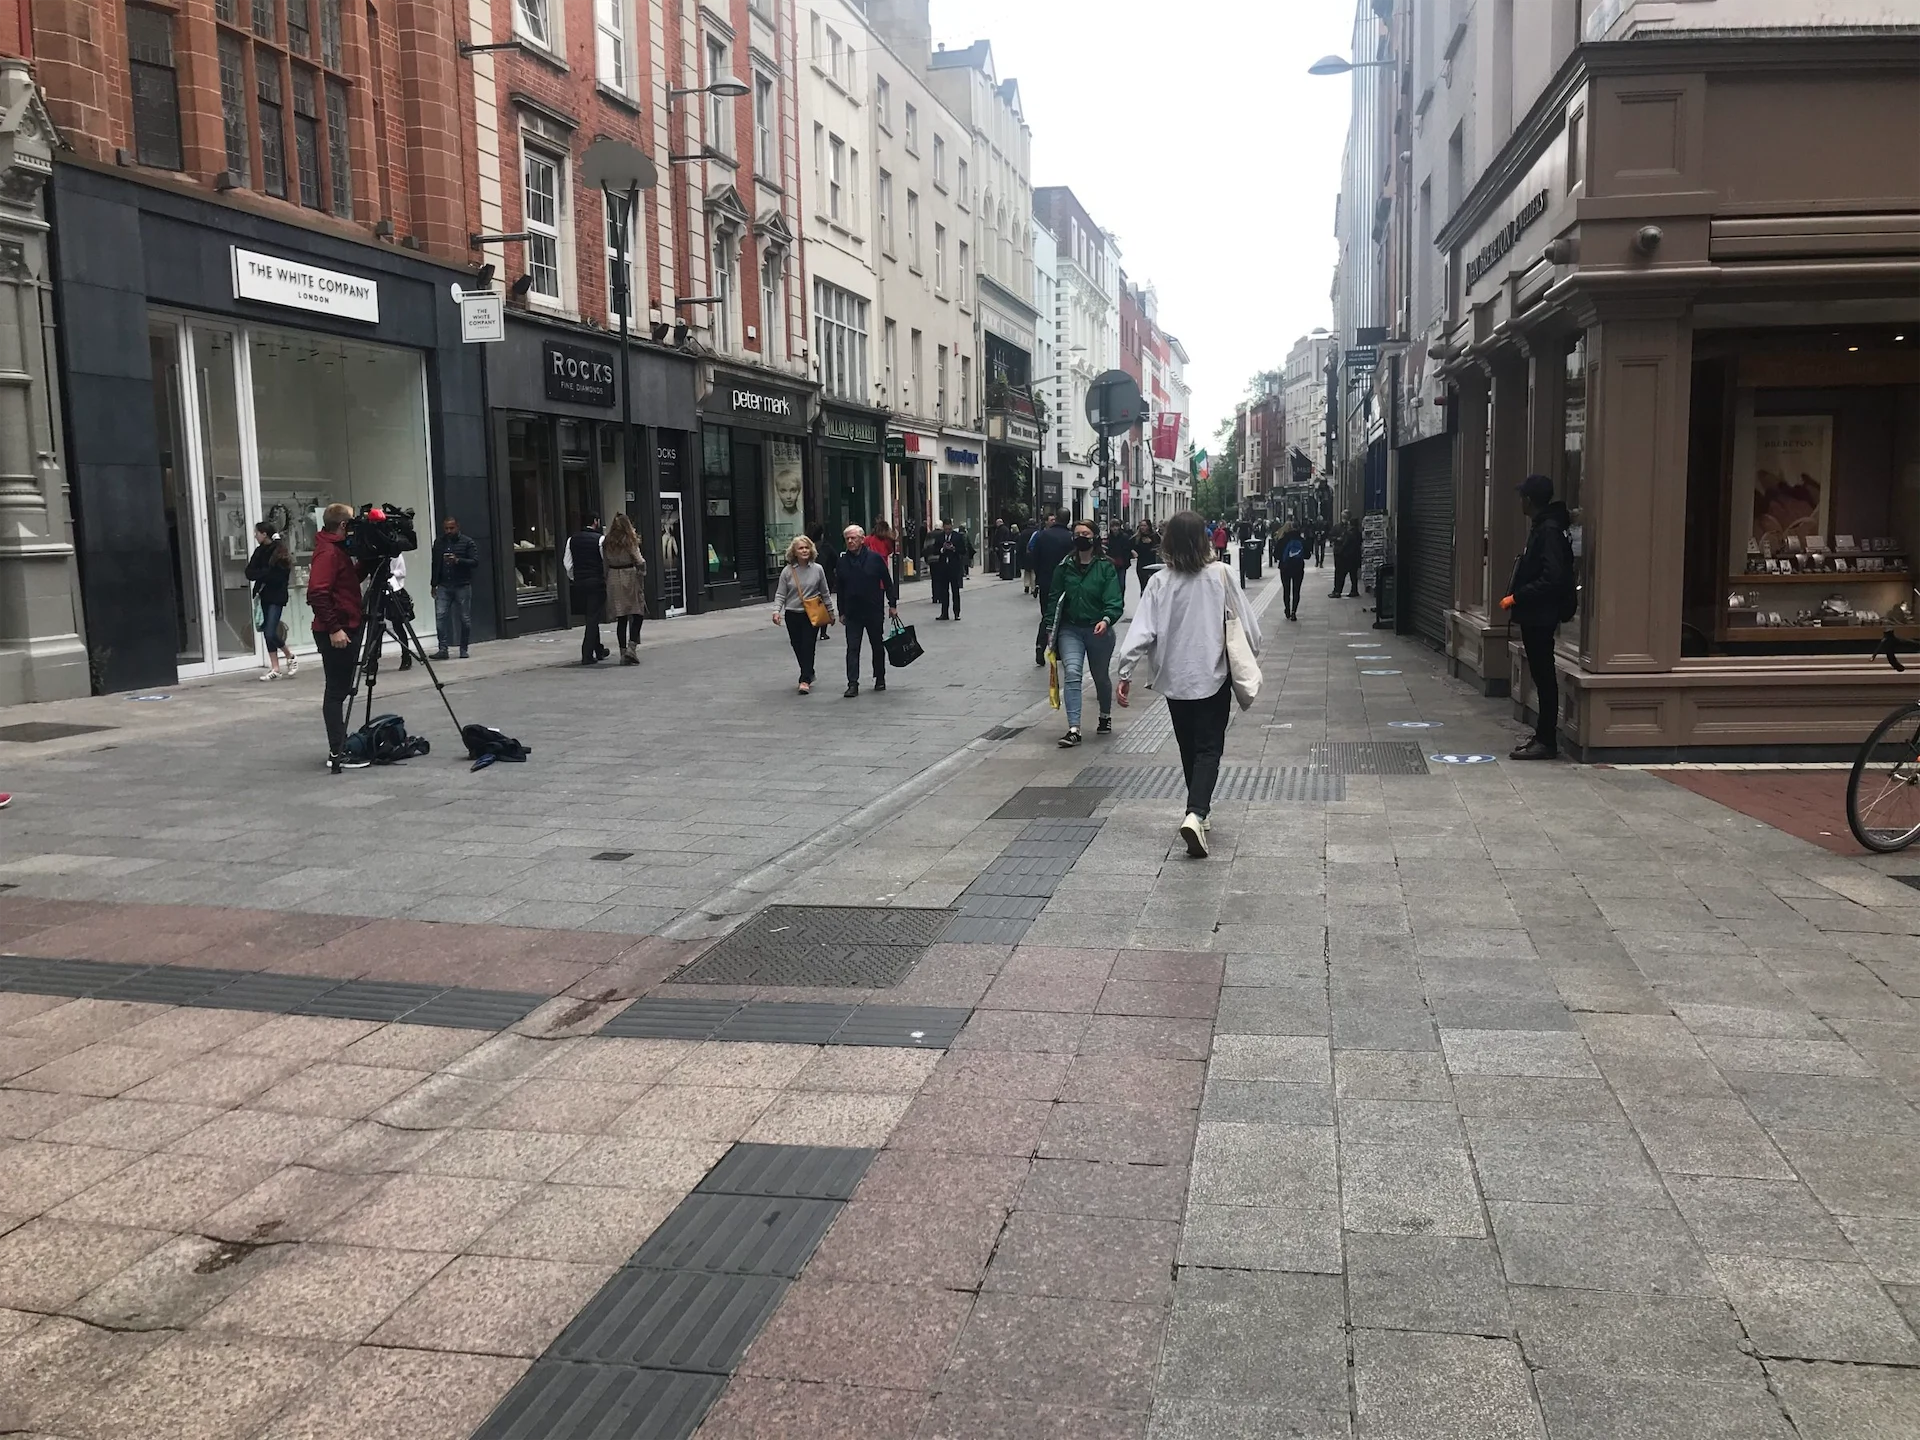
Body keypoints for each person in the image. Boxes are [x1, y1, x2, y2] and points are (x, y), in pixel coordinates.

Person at [1116, 510, 1263, 859]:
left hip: (1175, 677)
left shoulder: (1159, 582)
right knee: (1209, 747)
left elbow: (1142, 631)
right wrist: (1251, 652)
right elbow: (1247, 625)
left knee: (1187, 744)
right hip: (1213, 674)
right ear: (1203, 540)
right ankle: (1196, 812)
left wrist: (1125, 672)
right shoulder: (1221, 575)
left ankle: (1199, 810)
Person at [1502, 474, 1576, 761]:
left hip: (1541, 615)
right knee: (1541, 674)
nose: (1520, 501)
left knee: (1544, 677)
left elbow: (1552, 577)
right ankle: (1543, 736)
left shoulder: (1548, 530)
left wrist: (1517, 597)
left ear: (1529, 500)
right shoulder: (1545, 527)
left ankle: (1546, 740)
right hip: (1538, 614)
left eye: (1522, 496)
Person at [1047, 520, 1124, 747]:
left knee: (1100, 676)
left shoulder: (1105, 567)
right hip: (1070, 628)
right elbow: (1054, 599)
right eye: (1078, 533)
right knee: (1072, 673)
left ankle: (1105, 714)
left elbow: (1114, 599)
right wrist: (1049, 629)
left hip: (1098, 630)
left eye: (1086, 533)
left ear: (1095, 537)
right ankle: (1074, 729)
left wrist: (1106, 619)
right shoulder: (1064, 566)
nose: (1081, 537)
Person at [308, 502, 366, 768]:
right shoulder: (328, 552)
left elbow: (346, 581)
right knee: (336, 691)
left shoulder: (336, 549)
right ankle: (338, 751)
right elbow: (317, 592)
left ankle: (341, 745)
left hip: (344, 625)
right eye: (352, 522)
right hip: (336, 630)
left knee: (339, 689)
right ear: (344, 525)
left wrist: (368, 563)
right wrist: (334, 628)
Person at [834, 525, 899, 697]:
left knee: (877, 645)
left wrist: (892, 604)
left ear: (862, 540)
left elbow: (888, 582)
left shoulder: (875, 559)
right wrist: (841, 611)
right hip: (852, 612)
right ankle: (852, 683)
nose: (850, 541)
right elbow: (840, 588)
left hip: (873, 609)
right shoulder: (842, 561)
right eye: (847, 538)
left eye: (853, 538)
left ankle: (880, 677)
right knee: (852, 648)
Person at [773, 533, 835, 694]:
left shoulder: (818, 569)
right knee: (797, 646)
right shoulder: (787, 572)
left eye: (807, 547)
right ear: (794, 552)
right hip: (792, 614)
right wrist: (776, 611)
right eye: (801, 548)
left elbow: (825, 592)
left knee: (808, 645)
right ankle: (809, 671)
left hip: (811, 614)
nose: (804, 550)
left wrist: (831, 612)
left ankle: (805, 679)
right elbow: (780, 594)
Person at [245, 521, 298, 680]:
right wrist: (265, 573)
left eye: (257, 533)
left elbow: (279, 576)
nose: (255, 536)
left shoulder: (279, 551)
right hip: (263, 595)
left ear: (264, 534)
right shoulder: (259, 551)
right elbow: (249, 572)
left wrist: (263, 574)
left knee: (270, 631)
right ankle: (275, 668)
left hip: (277, 596)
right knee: (267, 632)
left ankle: (289, 656)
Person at [430, 515, 479, 660]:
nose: (448, 531)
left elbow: (475, 561)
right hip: (444, 585)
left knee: (464, 619)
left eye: (451, 528)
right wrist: (433, 584)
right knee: (440, 617)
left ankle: (463, 648)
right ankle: (443, 649)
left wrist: (458, 560)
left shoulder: (467, 542)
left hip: (462, 585)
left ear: (458, 527)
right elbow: (435, 564)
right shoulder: (439, 542)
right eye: (446, 528)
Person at [1030, 512, 1076, 666]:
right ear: (1068, 519)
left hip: (1046, 581)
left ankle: (1040, 644)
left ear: (1056, 518)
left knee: (1047, 615)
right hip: (1065, 583)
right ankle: (1058, 650)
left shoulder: (1042, 535)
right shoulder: (1070, 538)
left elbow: (1035, 558)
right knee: (1064, 616)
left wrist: (1039, 578)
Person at [563, 515, 609, 665]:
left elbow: (568, 564)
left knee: (591, 616)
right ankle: (587, 654)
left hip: (580, 583)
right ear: (595, 521)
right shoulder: (600, 539)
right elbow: (605, 561)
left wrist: (575, 578)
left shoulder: (571, 540)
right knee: (593, 617)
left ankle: (598, 649)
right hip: (596, 582)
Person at [602, 513, 647, 664]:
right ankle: (631, 648)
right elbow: (639, 560)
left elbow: (605, 563)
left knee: (621, 617)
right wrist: (642, 572)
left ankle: (623, 652)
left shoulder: (607, 542)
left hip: (613, 577)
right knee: (638, 612)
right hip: (629, 576)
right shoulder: (629, 540)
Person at [926, 517, 973, 621]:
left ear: (952, 526)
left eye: (949, 529)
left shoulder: (958, 537)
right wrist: (942, 549)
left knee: (955, 590)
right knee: (944, 591)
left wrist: (954, 549)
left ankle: (956, 613)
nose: (948, 531)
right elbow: (935, 550)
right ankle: (944, 613)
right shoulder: (940, 537)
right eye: (946, 529)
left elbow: (963, 550)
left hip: (954, 567)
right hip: (943, 567)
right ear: (943, 527)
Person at [1276, 520, 1309, 621]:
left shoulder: (1282, 540)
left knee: (1286, 589)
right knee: (1296, 590)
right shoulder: (1301, 540)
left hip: (1285, 568)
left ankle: (1287, 609)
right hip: (1298, 568)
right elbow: (1307, 555)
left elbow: (1276, 555)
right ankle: (1294, 611)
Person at [1330, 513, 1362, 598]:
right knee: (1353, 575)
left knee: (1340, 574)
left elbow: (1345, 544)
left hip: (1345, 557)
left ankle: (1337, 591)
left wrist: (1339, 552)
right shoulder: (1358, 532)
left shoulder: (1349, 533)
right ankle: (1354, 590)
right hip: (1354, 557)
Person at [1105, 523, 1135, 603]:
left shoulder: (1124, 537)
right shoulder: (1108, 538)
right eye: (1113, 526)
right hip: (1111, 563)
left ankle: (1121, 600)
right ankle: (1114, 600)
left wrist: (1126, 561)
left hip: (1121, 564)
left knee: (1121, 584)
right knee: (1112, 584)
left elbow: (1127, 549)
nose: (1115, 528)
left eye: (1116, 526)